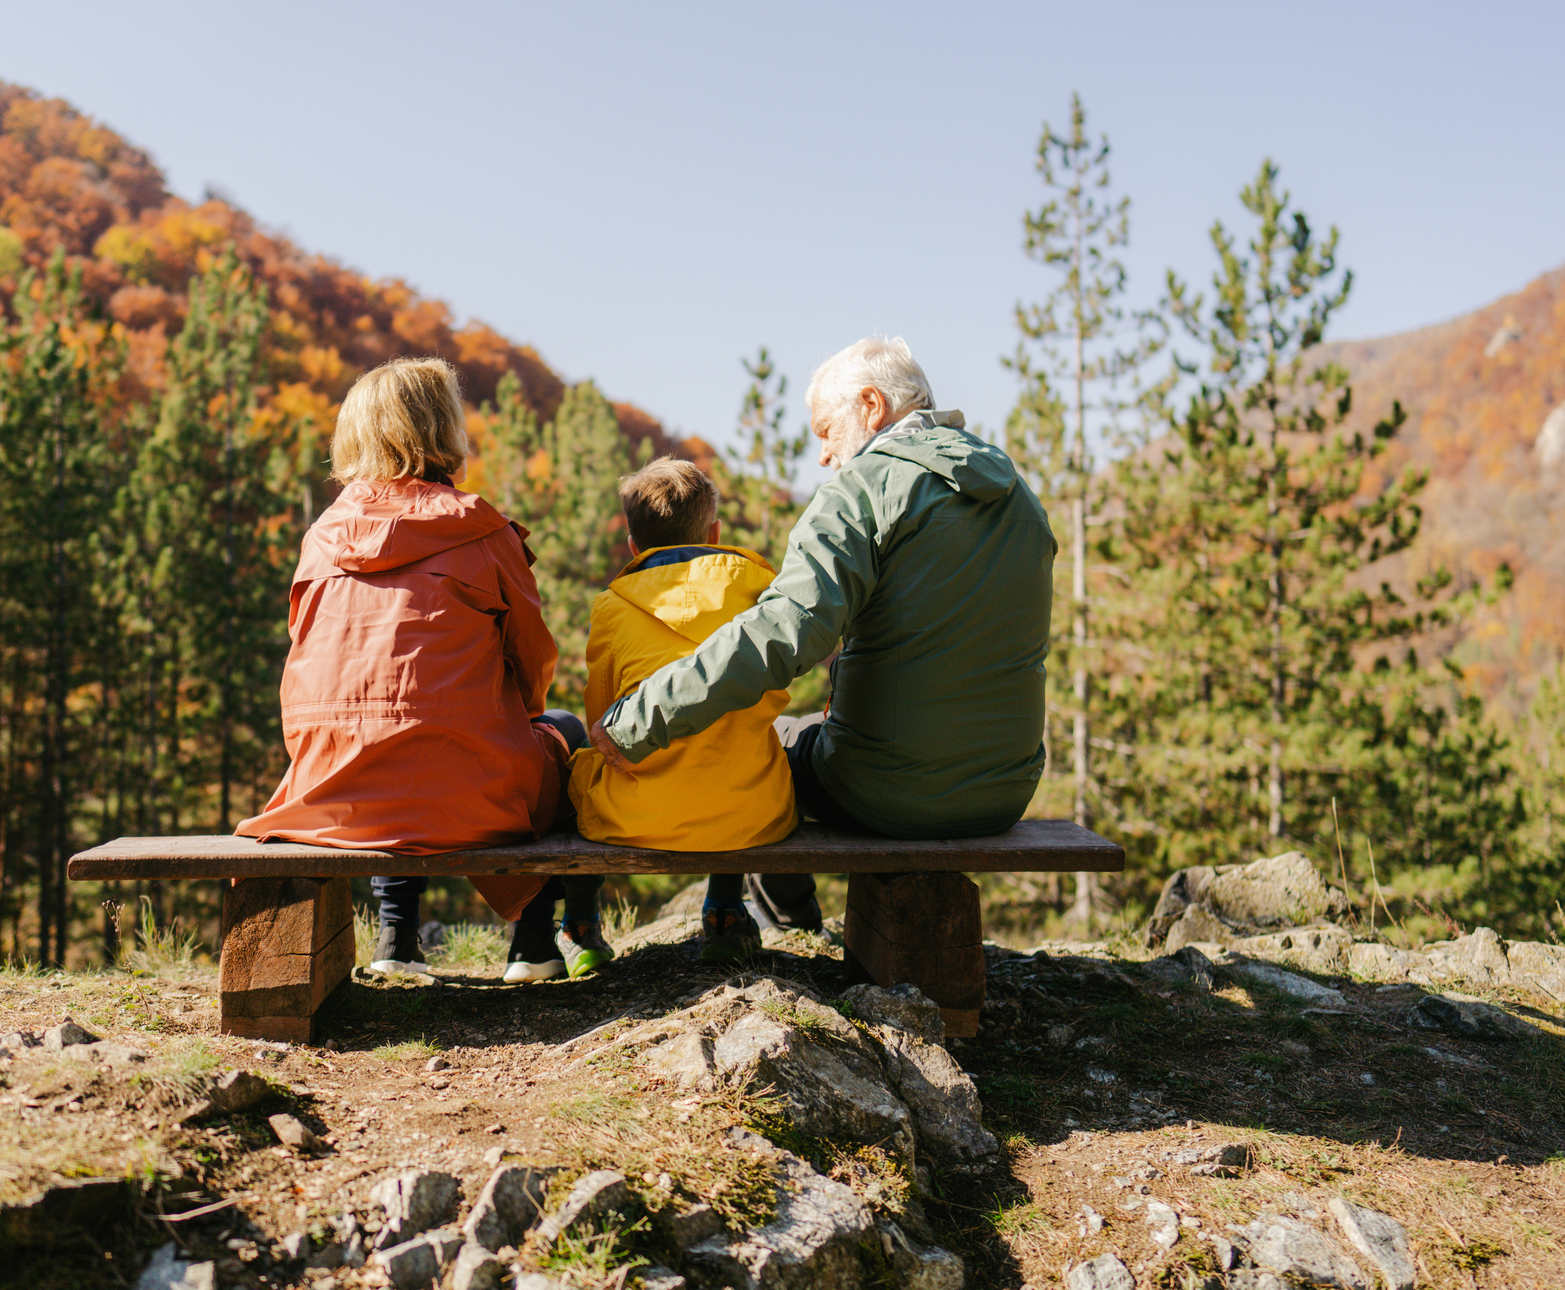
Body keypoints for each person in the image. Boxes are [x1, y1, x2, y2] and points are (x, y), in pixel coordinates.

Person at [589, 336, 1055, 938]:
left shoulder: (864, 490)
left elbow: (784, 633)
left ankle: (794, 926)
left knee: (768, 746)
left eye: (826, 430)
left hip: (890, 791)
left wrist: (640, 718)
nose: (824, 455)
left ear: (870, 405)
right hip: (1006, 789)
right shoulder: (1020, 494)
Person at [235, 357, 581, 980]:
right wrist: (515, 715)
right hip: (468, 796)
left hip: (332, 794)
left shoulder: (321, 538)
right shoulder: (481, 531)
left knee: (385, 737)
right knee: (562, 732)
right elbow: (533, 664)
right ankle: (534, 945)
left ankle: (396, 940)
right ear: (446, 429)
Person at [561, 458, 797, 969]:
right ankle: (725, 915)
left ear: (632, 544)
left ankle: (579, 927)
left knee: (576, 756)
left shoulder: (613, 605)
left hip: (634, 816)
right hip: (749, 813)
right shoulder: (760, 590)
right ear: (714, 532)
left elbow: (602, 718)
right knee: (740, 743)